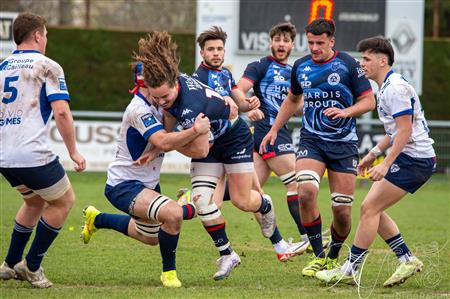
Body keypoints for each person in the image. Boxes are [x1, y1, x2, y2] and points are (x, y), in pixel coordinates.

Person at [137, 31, 277, 280]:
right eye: (155, 98)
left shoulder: (191, 108)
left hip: (234, 137)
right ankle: (227, 254)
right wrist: (158, 145)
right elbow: (170, 116)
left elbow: (200, 149)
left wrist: (167, 144)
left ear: (175, 85)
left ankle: (265, 204)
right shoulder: (174, 83)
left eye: (164, 96)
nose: (160, 102)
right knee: (202, 200)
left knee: (242, 201)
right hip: (212, 138)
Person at [316, 36, 436, 287]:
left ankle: (350, 269)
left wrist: (385, 163)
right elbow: (394, 132)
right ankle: (407, 258)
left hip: (415, 159)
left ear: (383, 61)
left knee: (369, 208)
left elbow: (404, 131)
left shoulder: (395, 89)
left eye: (367, 59)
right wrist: (372, 155)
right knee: (373, 209)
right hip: (411, 157)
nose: (362, 63)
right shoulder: (387, 87)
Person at [260, 18, 376, 277]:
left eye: (319, 43)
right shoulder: (300, 66)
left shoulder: (347, 64)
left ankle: (332, 256)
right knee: (305, 193)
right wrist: (275, 128)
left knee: (342, 211)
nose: (314, 47)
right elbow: (292, 99)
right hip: (312, 141)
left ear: (331, 41)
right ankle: (318, 256)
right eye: (310, 42)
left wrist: (346, 111)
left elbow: (369, 101)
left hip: (344, 145)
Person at [80, 62, 211, 288]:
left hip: (148, 186)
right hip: (123, 185)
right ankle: (169, 273)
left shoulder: (163, 104)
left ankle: (96, 219)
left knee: (151, 237)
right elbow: (163, 140)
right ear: (145, 84)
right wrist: (194, 131)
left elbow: (195, 148)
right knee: (173, 214)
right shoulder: (138, 109)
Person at [192, 26, 307, 262]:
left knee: (246, 197)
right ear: (202, 53)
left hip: (234, 142)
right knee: (208, 206)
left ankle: (282, 244)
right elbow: (203, 109)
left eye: (220, 49)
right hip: (216, 145)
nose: (216, 53)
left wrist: (250, 106)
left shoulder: (224, 74)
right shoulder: (197, 80)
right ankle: (294, 239)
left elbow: (239, 100)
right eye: (210, 49)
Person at [0, 12, 86, 288]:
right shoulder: (48, 66)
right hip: (30, 153)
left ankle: (10, 264)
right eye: (46, 34)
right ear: (37, 35)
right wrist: (73, 151)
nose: (46, 39)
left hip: (3, 155)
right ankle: (32, 266)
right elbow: (61, 111)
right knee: (64, 201)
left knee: (34, 201)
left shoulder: (2, 67)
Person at [237, 22, 311, 252]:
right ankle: (308, 237)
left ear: (292, 45)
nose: (281, 44)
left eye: (286, 40)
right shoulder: (260, 66)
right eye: (277, 39)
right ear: (271, 42)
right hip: (267, 132)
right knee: (296, 184)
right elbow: (238, 90)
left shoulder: (293, 73)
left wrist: (312, 106)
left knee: (250, 193)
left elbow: (294, 107)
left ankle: (280, 246)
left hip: (276, 132)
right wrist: (248, 107)